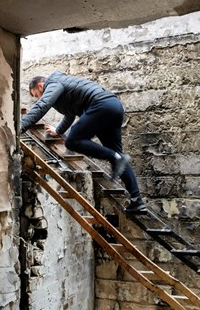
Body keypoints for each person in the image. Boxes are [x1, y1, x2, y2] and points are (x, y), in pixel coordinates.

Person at [21, 71, 146, 213]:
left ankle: (115, 157)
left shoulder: (53, 83)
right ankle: (137, 201)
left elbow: (42, 105)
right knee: (118, 157)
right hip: (114, 106)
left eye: (37, 94)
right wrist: (59, 131)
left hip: (101, 105)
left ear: (40, 85)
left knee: (73, 141)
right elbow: (70, 113)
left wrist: (20, 127)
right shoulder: (65, 87)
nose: (39, 98)